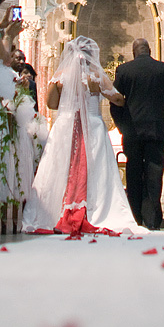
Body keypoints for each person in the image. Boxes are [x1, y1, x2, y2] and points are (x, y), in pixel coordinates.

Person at [22, 37, 142, 234]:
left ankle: (53, 212)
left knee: (59, 167)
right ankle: (95, 210)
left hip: (66, 126)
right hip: (91, 126)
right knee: (97, 171)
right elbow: (117, 99)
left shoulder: (61, 75)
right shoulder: (96, 76)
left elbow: (52, 104)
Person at [109, 38, 164, 230]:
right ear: (149, 50)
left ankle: (136, 218)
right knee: (154, 175)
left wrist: (123, 127)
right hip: (157, 132)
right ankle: (152, 221)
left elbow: (115, 102)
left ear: (134, 51)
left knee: (133, 175)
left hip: (132, 132)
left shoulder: (124, 70)